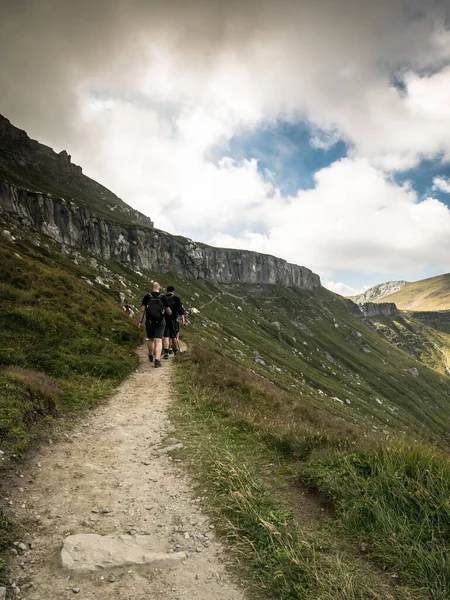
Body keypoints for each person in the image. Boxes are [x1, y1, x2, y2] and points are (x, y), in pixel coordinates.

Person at [138, 282, 172, 368]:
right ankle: (157, 360)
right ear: (159, 288)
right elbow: (168, 311)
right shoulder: (163, 297)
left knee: (151, 339)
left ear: (152, 288)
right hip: (160, 321)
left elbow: (142, 310)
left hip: (149, 321)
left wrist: (140, 321)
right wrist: (169, 312)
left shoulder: (147, 296)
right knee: (159, 340)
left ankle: (150, 354)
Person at [162, 285, 185, 359]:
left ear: (166, 291)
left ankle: (166, 352)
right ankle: (175, 351)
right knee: (174, 336)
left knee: (166, 336)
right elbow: (180, 308)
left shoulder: (163, 298)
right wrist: (182, 317)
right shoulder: (176, 298)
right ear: (173, 291)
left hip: (164, 319)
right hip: (174, 320)